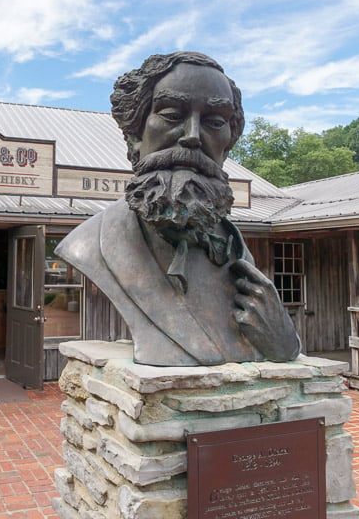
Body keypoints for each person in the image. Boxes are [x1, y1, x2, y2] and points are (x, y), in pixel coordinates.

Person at [56, 51, 300, 366]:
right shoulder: (89, 245)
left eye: (214, 122)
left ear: (228, 143)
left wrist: (283, 344)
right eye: (172, 114)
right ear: (134, 133)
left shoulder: (236, 251)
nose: (193, 137)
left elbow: (284, 353)